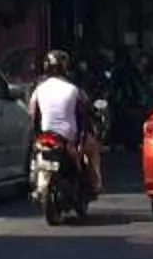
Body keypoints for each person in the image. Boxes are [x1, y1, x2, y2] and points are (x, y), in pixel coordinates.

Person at [27, 49, 101, 203]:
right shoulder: (73, 88)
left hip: (45, 134)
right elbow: (86, 110)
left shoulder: (38, 88)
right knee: (92, 148)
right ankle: (96, 183)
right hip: (69, 136)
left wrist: (35, 134)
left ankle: (38, 184)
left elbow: (31, 112)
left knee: (35, 155)